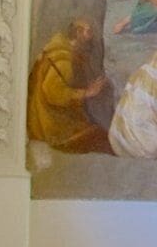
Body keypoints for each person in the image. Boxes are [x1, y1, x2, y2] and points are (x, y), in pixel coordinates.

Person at [27, 20, 111, 154]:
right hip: (53, 126)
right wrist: (87, 93)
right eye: (88, 32)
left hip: (48, 119)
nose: (91, 37)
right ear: (78, 32)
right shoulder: (63, 60)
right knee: (104, 140)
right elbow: (53, 93)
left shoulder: (56, 50)